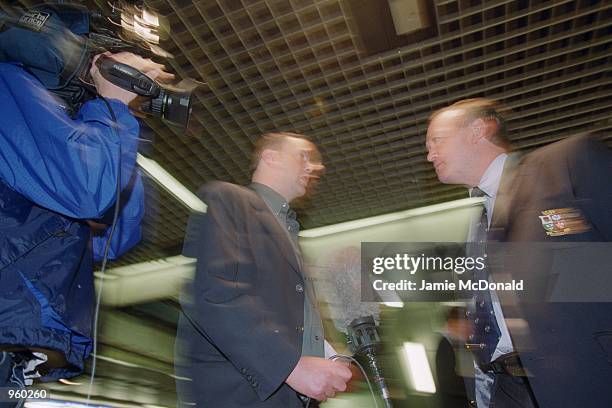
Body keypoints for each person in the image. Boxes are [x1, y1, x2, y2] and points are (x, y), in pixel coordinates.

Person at [0, 50, 169, 393]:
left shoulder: (71, 124)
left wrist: (123, 119)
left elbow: (113, 239)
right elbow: (86, 191)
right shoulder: (9, 82)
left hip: (21, 344)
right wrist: (112, 106)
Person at [426, 98, 612, 407]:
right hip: (506, 388)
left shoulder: (567, 164)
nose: (430, 154)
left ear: (478, 129)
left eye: (437, 140)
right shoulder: (479, 225)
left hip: (584, 380)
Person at [175, 132, 352, 407]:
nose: (316, 167)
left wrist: (321, 349)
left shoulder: (289, 229)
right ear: (271, 157)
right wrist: (290, 366)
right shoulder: (228, 199)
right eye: (303, 156)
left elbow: (282, 312)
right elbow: (217, 294)